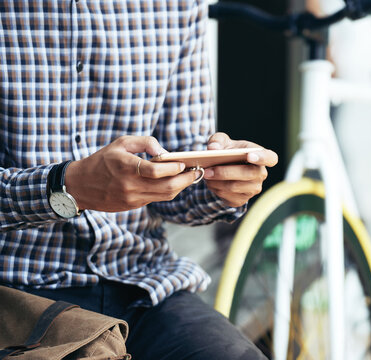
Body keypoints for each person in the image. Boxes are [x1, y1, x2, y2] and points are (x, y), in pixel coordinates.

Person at [0, 0, 276, 359]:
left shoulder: (177, 6)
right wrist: (66, 187)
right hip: (14, 291)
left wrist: (220, 184)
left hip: (141, 283)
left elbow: (178, 185)